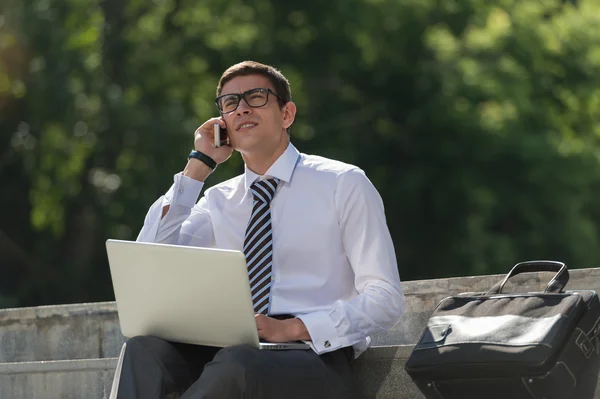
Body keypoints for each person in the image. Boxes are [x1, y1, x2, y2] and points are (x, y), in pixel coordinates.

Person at [110, 60, 405, 399]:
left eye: (257, 96)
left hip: (312, 356)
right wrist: (197, 166)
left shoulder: (343, 183)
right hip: (230, 349)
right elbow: (150, 257)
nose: (242, 108)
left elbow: (385, 299)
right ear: (223, 123)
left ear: (287, 114)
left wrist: (293, 328)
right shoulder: (217, 199)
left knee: (240, 363)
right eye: (230, 103)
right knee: (144, 350)